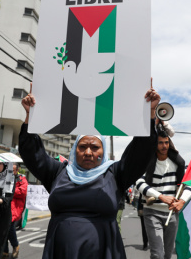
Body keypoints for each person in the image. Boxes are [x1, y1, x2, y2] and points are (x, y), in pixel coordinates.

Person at [19, 84, 160, 259]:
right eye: (82, 146)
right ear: (74, 150)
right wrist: (29, 116)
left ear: (103, 151)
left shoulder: (116, 174)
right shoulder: (58, 172)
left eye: (94, 147)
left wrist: (149, 114)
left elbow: (141, 152)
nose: (88, 152)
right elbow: (32, 153)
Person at [136, 129, 191, 259]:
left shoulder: (178, 164)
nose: (164, 146)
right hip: (151, 212)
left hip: (171, 213)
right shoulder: (147, 162)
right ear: (155, 145)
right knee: (157, 254)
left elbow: (189, 186)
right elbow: (139, 184)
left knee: (167, 255)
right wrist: (160, 196)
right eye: (160, 143)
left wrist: (182, 201)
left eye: (166, 142)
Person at [3, 163, 28, 258]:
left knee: (9, 226)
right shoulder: (5, 178)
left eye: (13, 170)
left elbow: (23, 192)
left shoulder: (22, 179)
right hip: (5, 205)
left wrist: (10, 189)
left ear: (17, 170)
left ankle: (15, 245)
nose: (11, 172)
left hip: (15, 207)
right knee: (3, 228)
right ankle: (4, 250)